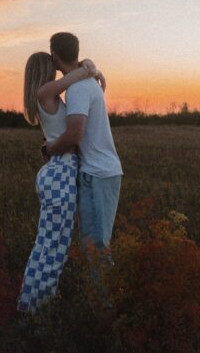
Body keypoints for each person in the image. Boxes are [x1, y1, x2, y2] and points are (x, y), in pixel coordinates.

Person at [16, 51, 106, 313]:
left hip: (59, 172)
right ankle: (34, 310)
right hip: (60, 172)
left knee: (48, 246)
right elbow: (79, 74)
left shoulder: (47, 96)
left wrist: (91, 67)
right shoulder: (45, 92)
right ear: (45, 69)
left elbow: (80, 74)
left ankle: (32, 304)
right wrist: (92, 68)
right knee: (53, 249)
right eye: (52, 66)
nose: (56, 70)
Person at [42, 32, 123, 251]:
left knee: (96, 247)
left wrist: (49, 149)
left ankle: (108, 286)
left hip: (100, 173)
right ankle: (99, 286)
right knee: (91, 245)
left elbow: (74, 135)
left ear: (54, 56)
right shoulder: (86, 81)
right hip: (96, 172)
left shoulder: (77, 89)